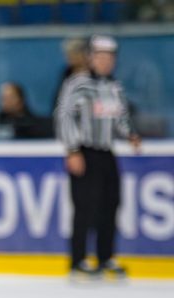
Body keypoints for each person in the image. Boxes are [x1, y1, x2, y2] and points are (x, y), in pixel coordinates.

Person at [54, 34, 142, 278]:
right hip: (84, 150)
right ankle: (78, 260)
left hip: (106, 151)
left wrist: (131, 134)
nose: (105, 61)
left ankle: (105, 257)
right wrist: (72, 150)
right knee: (84, 207)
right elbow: (64, 116)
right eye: (100, 56)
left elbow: (120, 117)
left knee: (110, 205)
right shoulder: (78, 83)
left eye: (109, 57)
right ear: (91, 58)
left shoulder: (114, 86)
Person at [51, 37, 89, 111]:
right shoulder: (66, 74)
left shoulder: (94, 74)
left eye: (72, 53)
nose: (69, 57)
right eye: (67, 54)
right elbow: (59, 101)